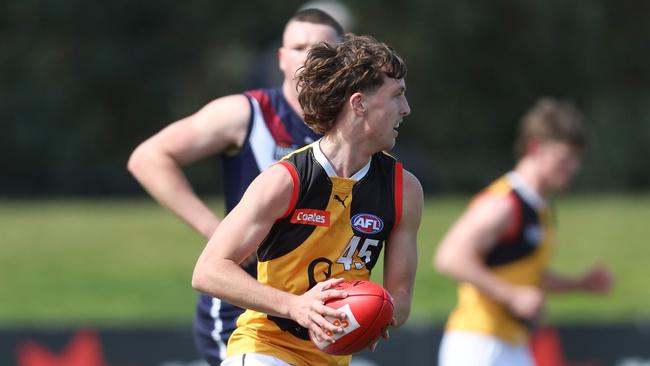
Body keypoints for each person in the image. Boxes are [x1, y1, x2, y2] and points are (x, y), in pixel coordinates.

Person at [127, 9, 344, 366]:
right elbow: (148, 158)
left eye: (320, 48)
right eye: (298, 47)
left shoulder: (352, 128)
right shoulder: (247, 114)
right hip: (243, 304)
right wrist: (215, 232)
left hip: (315, 305)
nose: (309, 57)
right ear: (281, 58)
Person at [192, 34, 423, 366]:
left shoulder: (405, 190)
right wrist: (295, 306)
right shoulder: (286, 180)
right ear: (359, 104)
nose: (406, 109)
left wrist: (377, 312)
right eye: (397, 95)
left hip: (330, 359)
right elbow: (208, 270)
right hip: (263, 350)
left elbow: (400, 299)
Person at [433, 98, 613, 366]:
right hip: (479, 344)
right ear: (535, 147)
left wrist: (578, 284)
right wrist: (512, 295)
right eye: (565, 158)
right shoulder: (504, 203)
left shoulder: (542, 208)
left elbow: (527, 277)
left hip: (513, 344)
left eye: (577, 159)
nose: (573, 168)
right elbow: (449, 257)